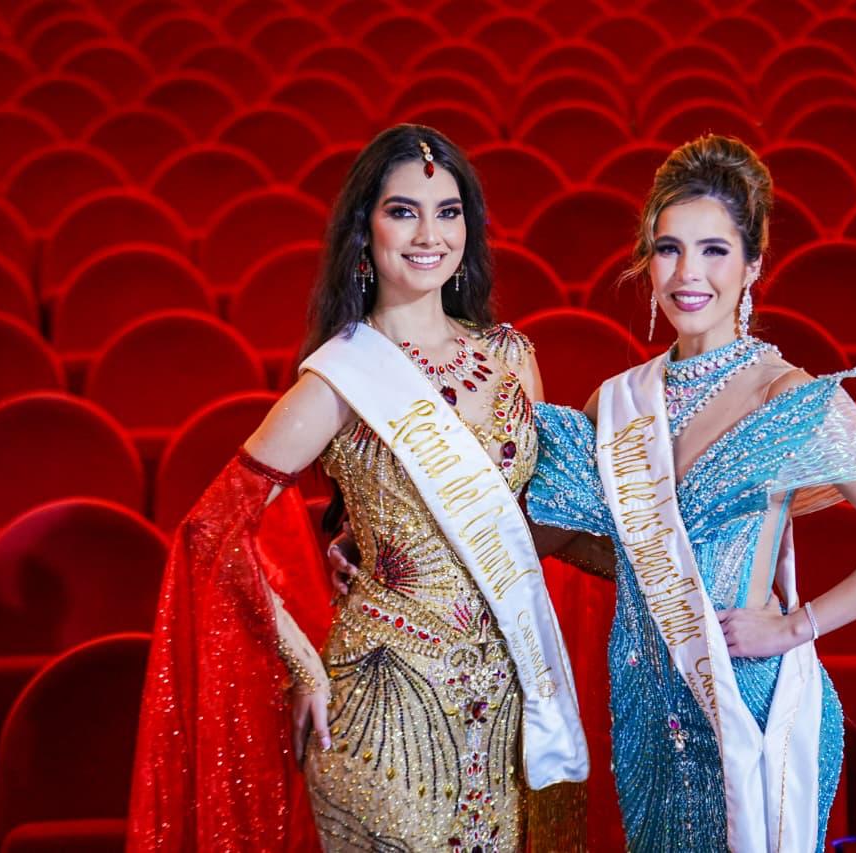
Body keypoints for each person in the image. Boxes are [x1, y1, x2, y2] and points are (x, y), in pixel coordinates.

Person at [128, 124, 588, 853]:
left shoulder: (511, 359)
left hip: (506, 703)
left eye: (448, 211)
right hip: (382, 711)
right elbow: (212, 529)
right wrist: (300, 662)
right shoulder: (339, 377)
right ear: (364, 232)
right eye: (403, 211)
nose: (429, 234)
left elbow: (521, 528)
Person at [523, 135, 856, 852]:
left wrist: (796, 626)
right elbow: (578, 541)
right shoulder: (618, 402)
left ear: (753, 264)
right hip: (644, 710)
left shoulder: (783, 396)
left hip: (745, 699)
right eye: (669, 249)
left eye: (714, 250)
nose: (687, 274)